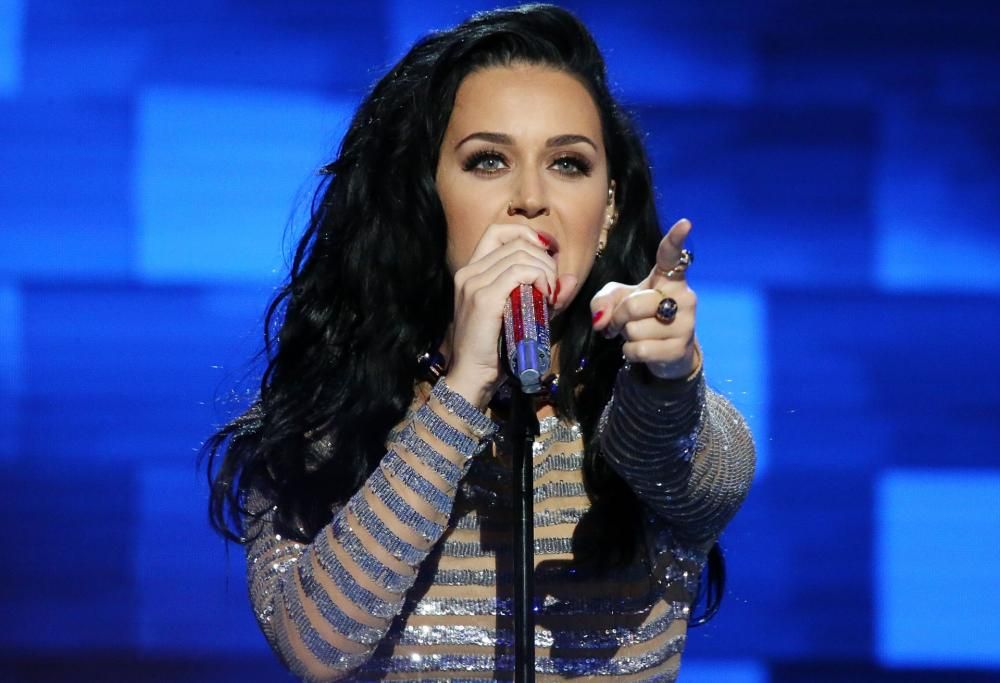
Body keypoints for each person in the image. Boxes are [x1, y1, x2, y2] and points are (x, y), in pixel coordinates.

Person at [203, 4, 755, 681]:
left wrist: (669, 376)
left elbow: (693, 474)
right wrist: (462, 388)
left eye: (568, 163)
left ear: (608, 209)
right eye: (488, 160)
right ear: (425, 198)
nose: (530, 197)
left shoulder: (660, 425)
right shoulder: (328, 431)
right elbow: (316, 646)